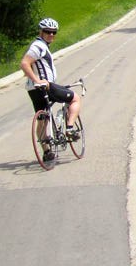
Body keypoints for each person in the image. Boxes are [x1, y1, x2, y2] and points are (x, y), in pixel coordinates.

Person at [21, 17, 82, 163]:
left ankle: (47, 152)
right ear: (40, 32)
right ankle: (69, 128)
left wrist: (34, 80)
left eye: (54, 32)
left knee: (42, 119)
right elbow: (24, 63)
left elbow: (29, 66)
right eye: (48, 32)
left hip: (33, 89)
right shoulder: (39, 46)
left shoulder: (39, 46)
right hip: (45, 86)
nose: (51, 35)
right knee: (75, 99)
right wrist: (38, 80)